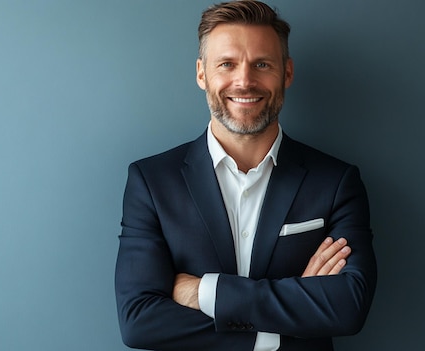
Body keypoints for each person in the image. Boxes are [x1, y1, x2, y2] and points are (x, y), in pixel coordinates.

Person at [114, 1, 377, 350]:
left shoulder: (336, 181)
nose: (244, 81)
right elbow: (139, 322)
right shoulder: (151, 182)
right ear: (201, 73)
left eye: (262, 64)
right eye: (227, 64)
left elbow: (347, 308)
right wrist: (288, 317)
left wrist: (204, 291)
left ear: (287, 72)